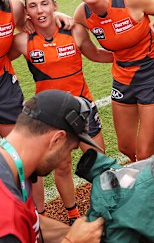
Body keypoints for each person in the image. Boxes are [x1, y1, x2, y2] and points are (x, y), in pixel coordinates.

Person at [9, 0, 112, 224]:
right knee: (62, 166)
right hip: (50, 116)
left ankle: (107, 210)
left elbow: (95, 54)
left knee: (99, 161)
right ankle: (73, 214)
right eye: (33, 6)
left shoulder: (74, 30)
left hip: (82, 108)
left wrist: (130, 56)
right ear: (27, 12)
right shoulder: (22, 41)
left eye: (45, 4)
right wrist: (18, 21)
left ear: (55, 5)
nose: (40, 10)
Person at [69, 0, 154, 162]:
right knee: (126, 147)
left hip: (153, 73)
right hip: (123, 77)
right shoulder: (82, 14)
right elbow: (93, 53)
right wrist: (123, 59)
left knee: (144, 152)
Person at [0, 89, 105, 243]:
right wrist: (72, 241)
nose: (65, 158)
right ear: (57, 140)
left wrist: (90, 234)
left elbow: (34, 224)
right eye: (70, 150)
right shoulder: (6, 216)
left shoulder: (16, 169)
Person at [0, 0, 72, 138]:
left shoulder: (14, 6)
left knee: (18, 148)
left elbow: (29, 24)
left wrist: (55, 14)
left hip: (4, 85)